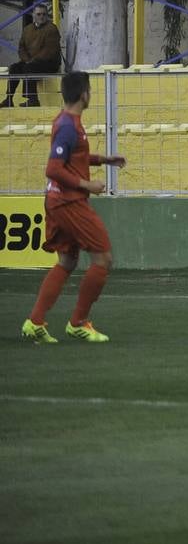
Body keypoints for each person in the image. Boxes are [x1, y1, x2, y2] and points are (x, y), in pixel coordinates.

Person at [21, 71, 126, 344]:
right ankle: (78, 322)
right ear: (84, 94)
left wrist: (103, 159)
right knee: (103, 258)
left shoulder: (66, 121)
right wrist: (86, 185)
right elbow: (53, 168)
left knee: (67, 261)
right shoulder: (69, 126)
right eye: (90, 90)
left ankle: (35, 322)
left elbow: (72, 157)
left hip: (57, 200)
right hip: (68, 201)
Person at [3, 1, 61, 108]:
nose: (41, 17)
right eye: (39, 14)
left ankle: (33, 99)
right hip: (30, 61)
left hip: (49, 63)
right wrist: (26, 60)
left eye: (44, 14)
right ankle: (9, 99)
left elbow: (49, 51)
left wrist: (32, 61)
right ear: (33, 15)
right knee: (14, 68)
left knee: (29, 68)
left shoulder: (51, 28)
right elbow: (21, 48)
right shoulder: (27, 29)